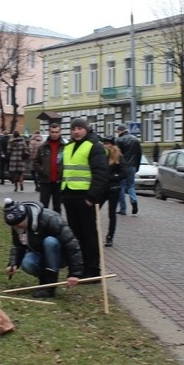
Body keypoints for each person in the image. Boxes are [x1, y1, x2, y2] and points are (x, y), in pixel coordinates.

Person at [3, 198, 83, 298]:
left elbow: (72, 245)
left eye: (18, 225)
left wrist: (74, 274)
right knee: (27, 263)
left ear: (25, 217)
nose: (16, 228)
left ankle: (50, 286)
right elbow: (18, 245)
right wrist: (13, 263)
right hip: (40, 254)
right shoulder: (17, 225)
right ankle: (44, 280)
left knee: (50, 242)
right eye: (13, 226)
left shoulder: (51, 219)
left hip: (60, 255)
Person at [60, 117, 108, 279]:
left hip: (85, 197)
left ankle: (92, 270)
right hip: (69, 195)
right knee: (75, 235)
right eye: (73, 129)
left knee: (89, 235)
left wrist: (91, 197)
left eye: (79, 128)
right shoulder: (68, 146)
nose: (76, 132)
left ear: (86, 129)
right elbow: (65, 170)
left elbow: (101, 173)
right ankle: (77, 268)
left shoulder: (94, 146)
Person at [34, 121, 64, 212]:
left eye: (56, 132)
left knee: (57, 207)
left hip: (59, 182)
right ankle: (43, 221)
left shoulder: (65, 147)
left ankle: (57, 221)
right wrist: (42, 170)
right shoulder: (42, 147)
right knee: (43, 207)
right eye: (52, 132)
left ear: (60, 132)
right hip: (45, 181)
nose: (54, 134)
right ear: (49, 132)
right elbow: (35, 161)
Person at [102, 137, 125, 247]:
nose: (105, 146)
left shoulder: (118, 156)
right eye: (104, 143)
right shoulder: (101, 155)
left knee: (112, 213)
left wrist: (112, 177)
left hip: (113, 189)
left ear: (112, 145)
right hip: (102, 188)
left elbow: (124, 173)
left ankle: (110, 236)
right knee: (93, 210)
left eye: (107, 143)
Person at [115, 124, 142, 215]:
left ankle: (123, 209)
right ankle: (134, 200)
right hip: (132, 166)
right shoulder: (135, 140)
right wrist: (136, 167)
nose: (117, 133)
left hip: (123, 166)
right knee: (131, 186)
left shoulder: (119, 140)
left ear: (120, 131)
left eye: (117, 131)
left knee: (122, 187)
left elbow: (117, 155)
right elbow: (139, 155)